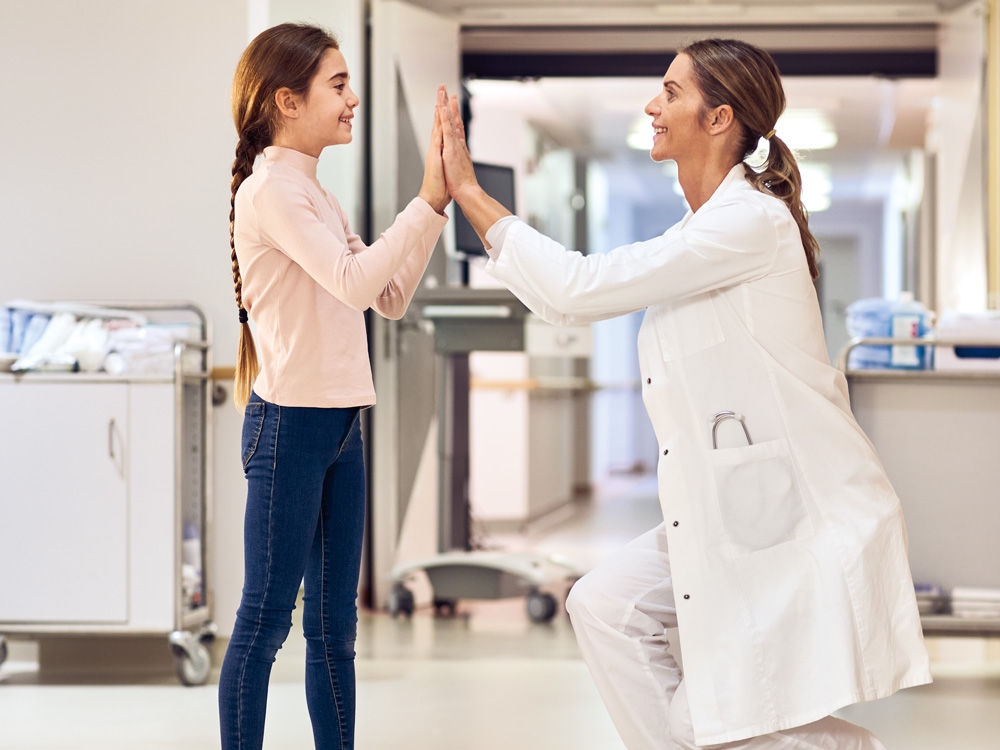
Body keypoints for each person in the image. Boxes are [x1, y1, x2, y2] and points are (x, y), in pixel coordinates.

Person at [436, 38, 931, 750]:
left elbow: (578, 289)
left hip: (795, 518)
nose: (651, 105)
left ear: (719, 117)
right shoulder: (702, 231)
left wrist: (471, 197)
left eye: (670, 92)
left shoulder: (749, 224)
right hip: (727, 511)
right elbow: (568, 300)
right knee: (605, 606)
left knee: (705, 723)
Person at [219, 23, 449, 750]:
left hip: (341, 423)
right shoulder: (272, 193)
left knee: (333, 629)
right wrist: (419, 204)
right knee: (264, 623)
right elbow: (354, 280)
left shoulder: (314, 192)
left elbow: (389, 298)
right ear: (287, 101)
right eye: (339, 84)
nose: (352, 99)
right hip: (291, 427)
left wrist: (435, 204)